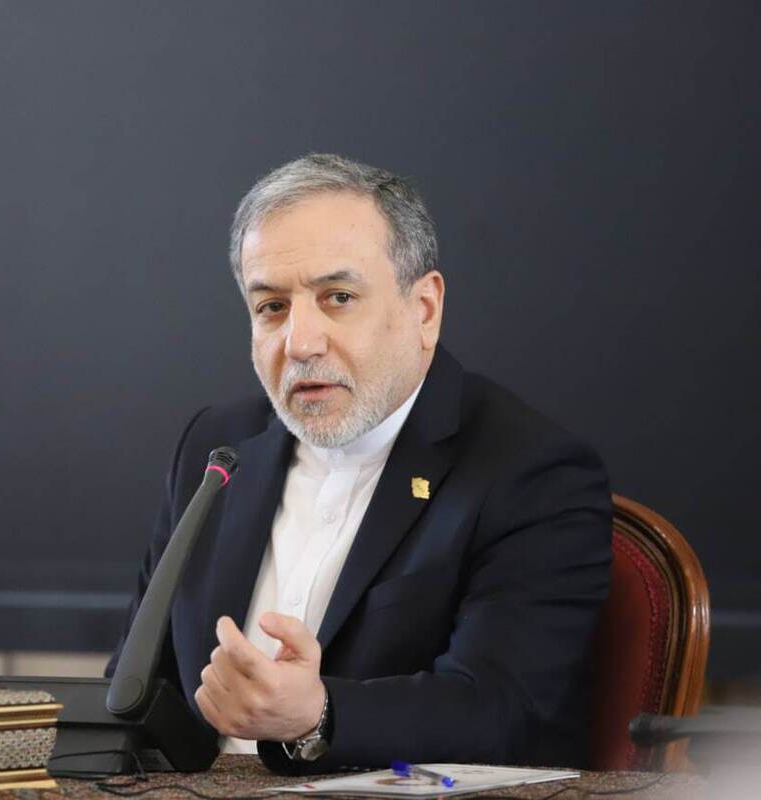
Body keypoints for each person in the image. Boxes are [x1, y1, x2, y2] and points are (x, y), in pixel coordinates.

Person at [106, 154, 611, 772]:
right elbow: (133, 688)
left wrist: (319, 715)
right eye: (271, 307)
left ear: (424, 309)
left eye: (338, 297)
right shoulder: (216, 448)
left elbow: (502, 710)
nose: (300, 343)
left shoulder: (531, 472)